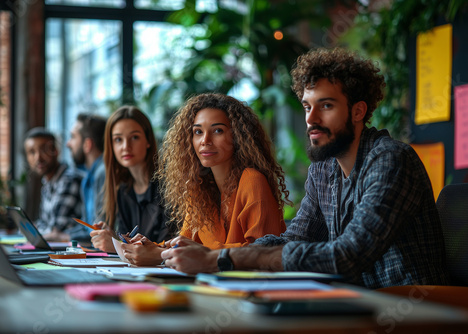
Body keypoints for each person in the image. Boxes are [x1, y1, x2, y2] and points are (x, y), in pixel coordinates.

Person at [160, 48, 450, 289]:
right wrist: (214, 255)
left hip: (410, 308)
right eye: (307, 106)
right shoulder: (324, 170)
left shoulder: (391, 161)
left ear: (358, 111)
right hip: (354, 304)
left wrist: (219, 260)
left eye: (326, 106)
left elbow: (346, 256)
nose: (311, 119)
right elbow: (294, 238)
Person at [122, 93, 289, 266]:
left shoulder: (252, 181)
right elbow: (185, 244)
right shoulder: (199, 189)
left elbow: (262, 254)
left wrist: (159, 254)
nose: (205, 141)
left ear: (238, 136)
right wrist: (150, 247)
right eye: (198, 132)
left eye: (218, 131)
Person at [89, 106, 170, 253]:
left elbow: (168, 247)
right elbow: (131, 242)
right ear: (111, 146)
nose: (126, 146)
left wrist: (117, 245)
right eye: (118, 140)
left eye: (134, 137)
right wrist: (115, 237)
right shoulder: (123, 190)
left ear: (148, 141)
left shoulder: (168, 185)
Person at [23, 127, 83, 241]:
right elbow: (44, 224)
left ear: (56, 150)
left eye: (44, 150)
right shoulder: (48, 183)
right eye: (32, 152)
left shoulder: (68, 180)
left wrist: (34, 233)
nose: (38, 158)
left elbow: (57, 230)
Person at [66, 113, 107, 227]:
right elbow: (88, 227)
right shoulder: (88, 177)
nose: (68, 144)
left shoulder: (103, 173)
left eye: (73, 137)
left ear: (87, 144)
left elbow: (99, 229)